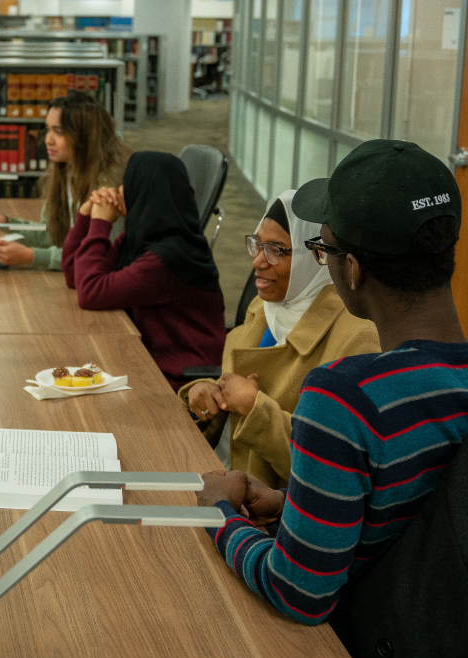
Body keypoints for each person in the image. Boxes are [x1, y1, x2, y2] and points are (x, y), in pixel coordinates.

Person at [196, 139, 468, 624]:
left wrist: (222, 515)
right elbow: (409, 512)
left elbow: (298, 594)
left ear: (353, 269)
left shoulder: (345, 397)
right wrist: (295, 503)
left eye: (322, 251)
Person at [178, 190, 379, 488]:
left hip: (277, 512)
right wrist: (206, 397)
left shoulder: (357, 338)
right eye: (257, 245)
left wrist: (253, 407)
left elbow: (331, 468)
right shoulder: (264, 309)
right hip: (223, 477)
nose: (258, 261)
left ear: (315, 256)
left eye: (276, 250)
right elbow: (230, 402)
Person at [62, 151, 225, 390]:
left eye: (127, 183)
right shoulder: (142, 238)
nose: (119, 190)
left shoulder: (167, 259)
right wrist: (86, 215)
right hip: (147, 360)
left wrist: (101, 224)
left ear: (145, 191)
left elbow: (90, 292)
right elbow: (74, 276)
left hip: (178, 383)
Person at [0, 92, 132, 270]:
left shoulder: (109, 184)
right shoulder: (67, 170)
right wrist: (5, 223)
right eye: (47, 129)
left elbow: (101, 255)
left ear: (84, 135)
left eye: (58, 132)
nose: (47, 140)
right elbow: (53, 234)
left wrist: (33, 256)